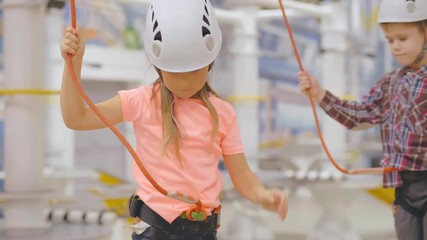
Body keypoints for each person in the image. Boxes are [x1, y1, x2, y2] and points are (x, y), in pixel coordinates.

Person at [59, 0, 287, 239]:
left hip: (204, 232)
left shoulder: (222, 113)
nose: (185, 82)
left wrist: (262, 195)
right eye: (175, 72)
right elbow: (77, 118)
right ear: (158, 67)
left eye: (194, 70)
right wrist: (73, 65)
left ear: (209, 63)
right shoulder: (142, 101)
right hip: (155, 231)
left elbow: (242, 175)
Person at [298, 0, 427, 239]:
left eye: (403, 38)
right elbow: (359, 115)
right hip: (404, 189)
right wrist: (319, 93)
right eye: (390, 40)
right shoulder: (390, 83)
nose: (395, 47)